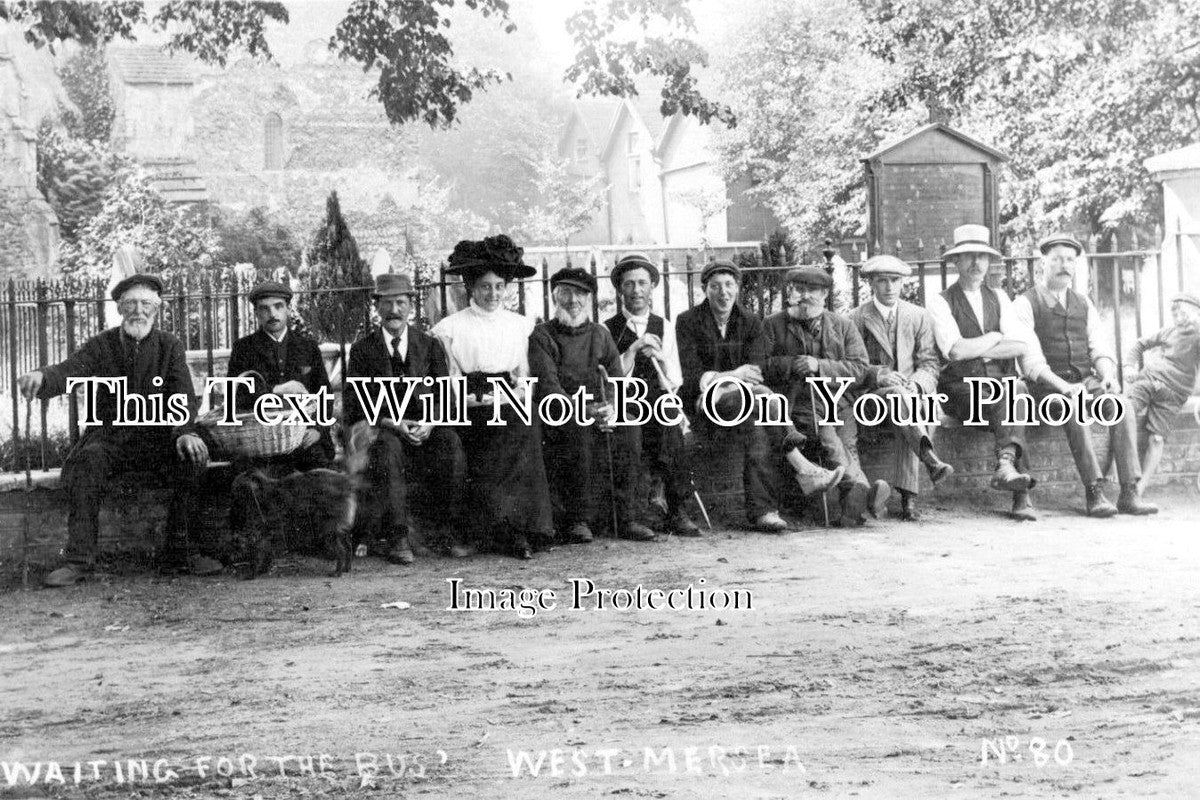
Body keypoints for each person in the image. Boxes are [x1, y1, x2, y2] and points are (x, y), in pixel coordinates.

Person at [17, 273, 219, 587]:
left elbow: (182, 394)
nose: (139, 310)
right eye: (131, 304)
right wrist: (42, 377)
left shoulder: (169, 346)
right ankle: (79, 561)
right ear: (120, 309)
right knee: (88, 463)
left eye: (146, 304)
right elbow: (70, 370)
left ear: (157, 309)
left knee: (192, 456)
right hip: (110, 439)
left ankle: (182, 553)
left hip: (156, 439)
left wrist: (184, 431)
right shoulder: (102, 345)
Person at [676, 260, 838, 532]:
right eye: (715, 286)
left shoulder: (750, 322)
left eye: (729, 285)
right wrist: (734, 376)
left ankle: (764, 513)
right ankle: (799, 466)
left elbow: (756, 370)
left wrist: (727, 377)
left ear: (737, 288)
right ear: (705, 289)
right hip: (705, 404)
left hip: (745, 403)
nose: (723, 292)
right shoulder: (688, 321)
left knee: (758, 424)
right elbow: (692, 376)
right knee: (762, 398)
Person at [1012, 233, 1157, 516]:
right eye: (1057, 260)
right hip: (1045, 388)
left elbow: (1099, 347)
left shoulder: (1083, 303)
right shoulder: (1025, 303)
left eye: (1070, 260)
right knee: (1073, 407)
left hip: (1084, 380)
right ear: (1044, 263)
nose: (1064, 265)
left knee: (1121, 404)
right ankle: (1094, 491)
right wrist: (1065, 387)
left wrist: (1107, 375)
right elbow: (1030, 362)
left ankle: (1129, 492)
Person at [430, 235, 555, 560]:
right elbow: (451, 381)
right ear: (471, 287)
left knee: (524, 421)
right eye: (485, 286)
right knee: (509, 424)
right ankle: (502, 530)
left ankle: (522, 528)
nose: (493, 294)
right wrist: (477, 401)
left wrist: (511, 397)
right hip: (470, 408)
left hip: (509, 402)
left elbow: (523, 376)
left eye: (499, 286)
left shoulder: (520, 326)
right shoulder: (449, 329)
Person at [344, 274, 468, 564]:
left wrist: (431, 423)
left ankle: (447, 531)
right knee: (388, 450)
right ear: (377, 307)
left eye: (400, 302)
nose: (394, 310)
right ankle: (397, 537)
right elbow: (354, 402)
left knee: (450, 444)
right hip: (384, 426)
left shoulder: (428, 346)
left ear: (411, 307)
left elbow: (445, 396)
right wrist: (391, 422)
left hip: (424, 426)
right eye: (387, 303)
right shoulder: (363, 350)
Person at [529, 267, 658, 543]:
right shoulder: (542, 336)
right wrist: (584, 410)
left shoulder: (600, 334)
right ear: (555, 298)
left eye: (580, 294)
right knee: (578, 428)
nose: (573, 300)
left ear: (589, 299)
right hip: (562, 411)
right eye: (566, 293)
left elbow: (616, 377)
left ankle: (627, 517)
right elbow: (549, 387)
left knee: (631, 424)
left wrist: (611, 407)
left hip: (600, 410)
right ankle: (579, 519)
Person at [763, 266, 890, 526]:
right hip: (800, 400)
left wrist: (819, 366)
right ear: (790, 293)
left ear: (824, 295)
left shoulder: (843, 326)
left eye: (812, 290)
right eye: (799, 289)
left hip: (839, 401)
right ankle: (861, 491)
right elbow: (761, 365)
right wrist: (794, 363)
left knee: (846, 441)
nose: (805, 296)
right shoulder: (773, 325)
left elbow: (860, 368)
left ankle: (855, 505)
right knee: (830, 439)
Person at [926, 224, 1036, 521]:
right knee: (1017, 397)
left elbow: (1020, 345)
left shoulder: (998, 296)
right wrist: (994, 338)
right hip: (960, 390)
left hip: (999, 387)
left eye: (982, 257)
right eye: (968, 257)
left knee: (1017, 394)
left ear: (989, 262)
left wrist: (982, 346)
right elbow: (955, 351)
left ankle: (1006, 465)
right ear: (956, 262)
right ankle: (1019, 493)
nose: (976, 263)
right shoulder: (940, 301)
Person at [603, 252, 701, 536]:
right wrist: (632, 350)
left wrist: (659, 355)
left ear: (652, 287)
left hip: (657, 397)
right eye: (629, 284)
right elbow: (610, 379)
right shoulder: (607, 329)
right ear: (620, 289)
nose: (636, 291)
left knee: (670, 421)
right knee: (630, 434)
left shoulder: (664, 326)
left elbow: (675, 380)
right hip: (624, 401)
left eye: (642, 283)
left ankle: (677, 509)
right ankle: (631, 516)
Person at [849, 255, 953, 521]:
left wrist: (916, 384)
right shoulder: (855, 319)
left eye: (895, 280)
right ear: (871, 283)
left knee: (907, 403)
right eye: (882, 281)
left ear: (902, 282)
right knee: (898, 398)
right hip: (872, 399)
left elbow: (930, 364)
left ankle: (910, 498)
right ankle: (925, 468)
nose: (889, 287)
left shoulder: (917, 316)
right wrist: (880, 376)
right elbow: (853, 368)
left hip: (911, 396)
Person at [225, 280, 333, 473]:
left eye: (278, 306)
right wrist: (276, 390)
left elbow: (324, 393)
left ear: (288, 309)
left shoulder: (307, 347)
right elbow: (237, 396)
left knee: (319, 475)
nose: (272, 314)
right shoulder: (244, 348)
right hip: (261, 442)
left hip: (304, 438)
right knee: (250, 482)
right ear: (256, 313)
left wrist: (318, 429)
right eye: (264, 309)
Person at [1125, 292, 1200, 499]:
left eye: (1183, 311)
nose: (1178, 316)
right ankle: (1125, 477)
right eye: (1174, 312)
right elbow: (1139, 344)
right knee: (1125, 414)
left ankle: (1139, 488)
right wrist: (1129, 367)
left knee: (1157, 439)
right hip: (1148, 381)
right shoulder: (1169, 332)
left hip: (1174, 394)